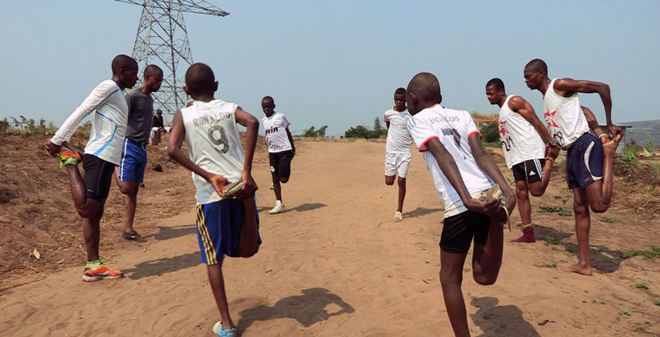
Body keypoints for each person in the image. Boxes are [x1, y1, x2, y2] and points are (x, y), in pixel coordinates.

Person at [405, 73, 515, 337]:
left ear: (413, 98)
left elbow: (442, 155)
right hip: (489, 193)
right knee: (483, 276)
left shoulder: (416, 120)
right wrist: (508, 190)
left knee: (449, 277)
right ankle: (495, 216)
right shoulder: (463, 115)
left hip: (462, 203)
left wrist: (466, 199)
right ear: (440, 97)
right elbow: (480, 153)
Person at [167, 63, 260, 337]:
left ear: (186, 89)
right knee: (247, 249)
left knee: (213, 260)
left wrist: (208, 176)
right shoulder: (229, 107)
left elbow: (171, 149)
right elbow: (253, 122)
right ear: (216, 85)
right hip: (238, 184)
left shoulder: (184, 114)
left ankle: (227, 325)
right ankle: (246, 201)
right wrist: (246, 171)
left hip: (212, 195)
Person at [44, 54, 139, 282]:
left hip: (106, 157)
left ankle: (94, 265)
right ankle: (69, 161)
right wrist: (59, 139)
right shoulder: (108, 86)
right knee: (86, 210)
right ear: (122, 70)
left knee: (96, 214)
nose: (136, 77)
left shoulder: (117, 93)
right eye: (134, 72)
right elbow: (82, 109)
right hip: (101, 156)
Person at [524, 58, 622, 276]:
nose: (526, 81)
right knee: (579, 208)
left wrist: (609, 123)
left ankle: (609, 156)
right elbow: (584, 110)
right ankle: (585, 264)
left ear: (540, 73)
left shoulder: (559, 85)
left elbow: (602, 88)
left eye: (528, 76)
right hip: (572, 152)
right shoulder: (548, 99)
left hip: (584, 145)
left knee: (599, 205)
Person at [485, 78, 558, 243]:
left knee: (536, 190)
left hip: (529, 152)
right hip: (517, 156)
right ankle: (528, 233)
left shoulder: (514, 101)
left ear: (501, 91)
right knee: (520, 192)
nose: (489, 97)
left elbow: (535, 120)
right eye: (487, 94)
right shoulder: (503, 111)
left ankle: (550, 161)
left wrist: (551, 143)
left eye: (491, 93)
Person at [113, 64, 163, 241]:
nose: (159, 84)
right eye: (157, 80)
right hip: (129, 144)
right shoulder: (132, 96)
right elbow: (121, 119)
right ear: (147, 78)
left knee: (133, 191)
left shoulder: (149, 100)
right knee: (126, 187)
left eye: (161, 81)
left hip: (142, 147)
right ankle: (115, 167)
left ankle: (128, 229)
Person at [261, 96, 296, 214]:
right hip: (272, 152)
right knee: (275, 179)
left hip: (285, 150)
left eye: (268, 107)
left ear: (273, 106)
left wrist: (292, 148)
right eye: (264, 107)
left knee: (284, 179)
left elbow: (288, 132)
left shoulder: (280, 117)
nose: (266, 109)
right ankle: (279, 203)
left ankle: (280, 176)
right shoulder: (263, 121)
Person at [383, 87, 412, 222]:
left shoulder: (410, 113)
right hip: (391, 151)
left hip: (405, 152)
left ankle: (399, 210)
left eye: (401, 99)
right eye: (397, 99)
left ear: (406, 100)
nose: (399, 102)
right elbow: (389, 127)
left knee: (402, 180)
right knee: (389, 182)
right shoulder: (389, 114)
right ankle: (392, 173)